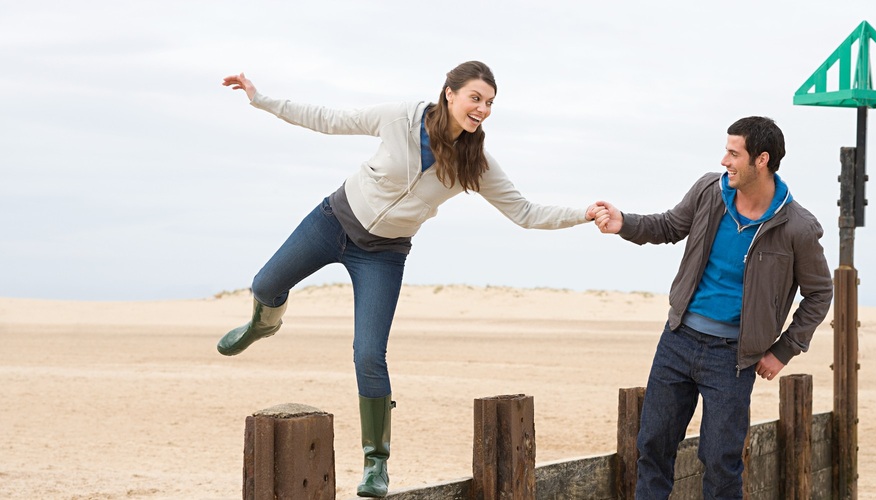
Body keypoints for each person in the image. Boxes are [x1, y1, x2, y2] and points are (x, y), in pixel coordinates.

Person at [219, 61, 600, 498]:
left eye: (490, 103)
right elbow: (328, 120)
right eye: (476, 98)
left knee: (369, 355)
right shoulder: (400, 117)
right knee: (265, 285)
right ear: (449, 93)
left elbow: (525, 212)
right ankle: (262, 324)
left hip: (383, 254)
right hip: (333, 221)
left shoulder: (474, 161)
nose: (483, 109)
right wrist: (260, 98)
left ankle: (375, 464)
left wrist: (583, 215)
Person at [592, 116, 833, 499]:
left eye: (734, 153)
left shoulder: (797, 227)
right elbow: (669, 226)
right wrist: (624, 223)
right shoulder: (708, 191)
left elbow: (819, 293)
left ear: (762, 160)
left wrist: (784, 350)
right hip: (678, 340)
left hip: (733, 359)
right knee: (653, 446)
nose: (724, 160)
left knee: (721, 462)